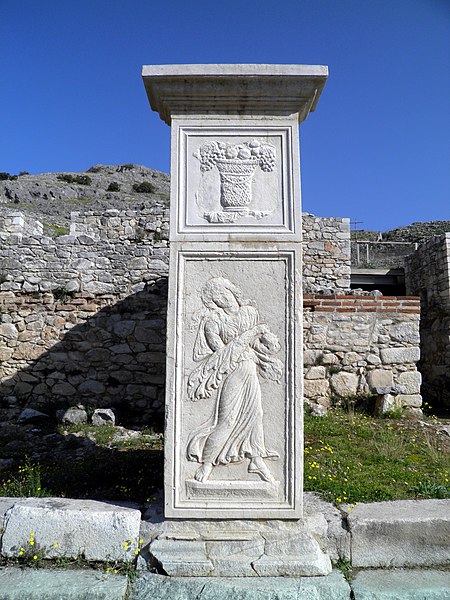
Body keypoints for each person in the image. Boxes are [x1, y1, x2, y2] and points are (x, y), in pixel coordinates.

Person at [186, 277, 283, 483]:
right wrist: (252, 332)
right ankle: (206, 463)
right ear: (214, 301)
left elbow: (260, 347)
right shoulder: (213, 323)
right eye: (218, 297)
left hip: (250, 369)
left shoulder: (249, 313)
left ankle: (256, 459)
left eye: (225, 293)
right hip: (232, 371)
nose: (223, 299)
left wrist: (268, 340)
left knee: (256, 415)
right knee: (226, 420)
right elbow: (222, 356)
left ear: (232, 291)